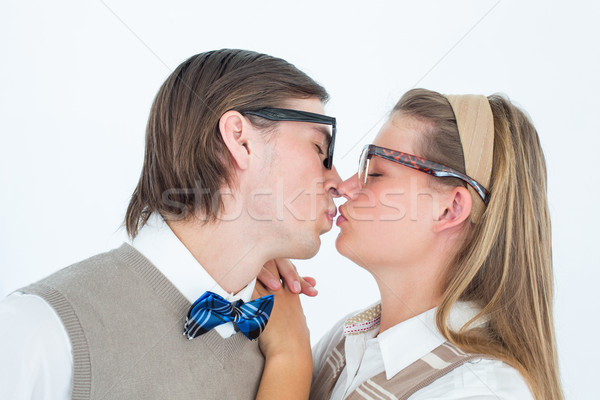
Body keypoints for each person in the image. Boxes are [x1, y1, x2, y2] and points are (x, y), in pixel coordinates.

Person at [0, 49, 342, 399]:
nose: (339, 182)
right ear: (241, 140)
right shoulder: (37, 331)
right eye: (319, 149)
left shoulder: (294, 355)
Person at [256, 88, 564, 399]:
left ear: (450, 209)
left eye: (375, 173)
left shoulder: (482, 390)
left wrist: (289, 352)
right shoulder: (347, 342)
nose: (345, 187)